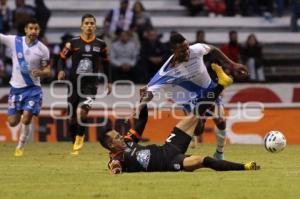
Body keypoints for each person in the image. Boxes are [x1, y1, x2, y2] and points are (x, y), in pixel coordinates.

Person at [138, 33, 247, 159]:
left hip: (209, 89)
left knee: (220, 121)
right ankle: (200, 122)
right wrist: (140, 105)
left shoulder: (196, 50)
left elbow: (213, 49)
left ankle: (219, 153)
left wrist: (232, 64)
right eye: (182, 50)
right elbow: (151, 90)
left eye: (187, 48)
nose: (187, 52)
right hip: (189, 100)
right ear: (173, 51)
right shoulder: (167, 70)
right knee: (198, 130)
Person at [99, 102, 260, 174]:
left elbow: (142, 121)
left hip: (169, 147)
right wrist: (116, 169)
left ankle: (219, 86)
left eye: (119, 135)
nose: (122, 137)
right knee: (204, 160)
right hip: (171, 162)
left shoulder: (128, 140)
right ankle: (245, 167)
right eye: (117, 137)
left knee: (196, 112)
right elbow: (115, 167)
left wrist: (143, 102)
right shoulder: (117, 158)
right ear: (110, 144)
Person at [57, 14, 110, 155]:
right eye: (86, 23)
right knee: (72, 118)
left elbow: (106, 63)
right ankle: (74, 140)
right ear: (81, 26)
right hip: (74, 84)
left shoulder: (101, 44)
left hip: (90, 86)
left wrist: (109, 81)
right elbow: (61, 58)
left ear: (95, 26)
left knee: (82, 111)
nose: (89, 26)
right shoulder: (72, 43)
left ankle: (80, 138)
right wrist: (61, 70)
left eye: (92, 23)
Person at [0, 18, 50, 156]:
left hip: (33, 89)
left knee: (27, 117)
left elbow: (48, 70)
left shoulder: (43, 49)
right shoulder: (14, 41)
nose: (33, 31)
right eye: (31, 28)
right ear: (26, 30)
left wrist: (41, 72)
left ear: (39, 31)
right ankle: (22, 110)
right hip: (16, 88)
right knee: (12, 122)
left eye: (36, 29)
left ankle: (20, 146)